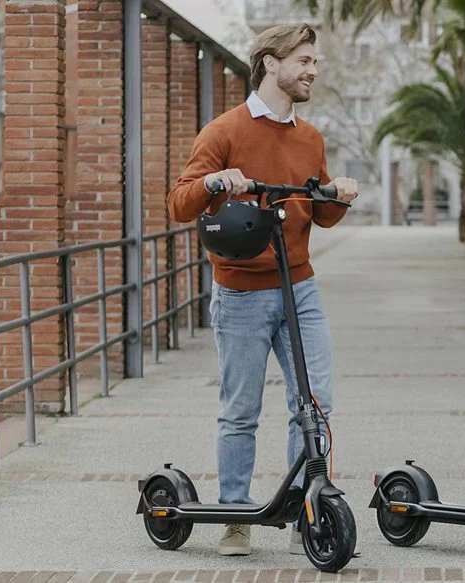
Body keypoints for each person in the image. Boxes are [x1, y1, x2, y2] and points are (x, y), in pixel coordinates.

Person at [167, 23, 359, 557]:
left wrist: (338, 194)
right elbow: (178, 202)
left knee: (314, 404)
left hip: (300, 287)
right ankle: (235, 516)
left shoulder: (310, 137)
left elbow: (319, 215)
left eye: (314, 62)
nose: (312, 71)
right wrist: (213, 182)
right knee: (240, 410)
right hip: (242, 293)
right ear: (271, 63)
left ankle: (309, 511)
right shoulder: (224, 131)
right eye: (303, 61)